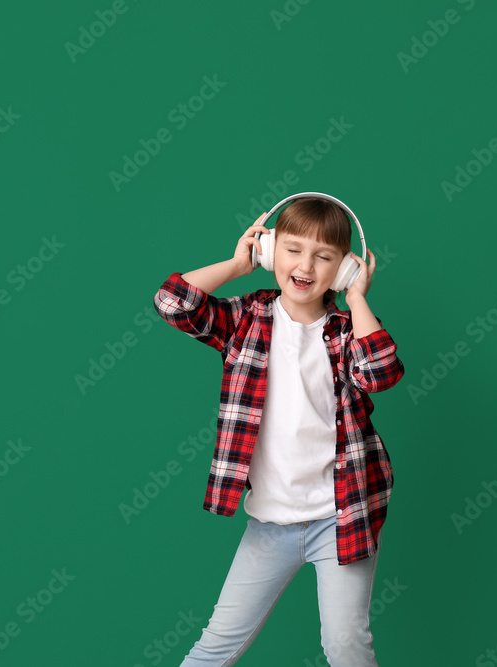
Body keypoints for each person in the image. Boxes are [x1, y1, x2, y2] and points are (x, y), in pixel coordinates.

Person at [152, 197, 405, 666]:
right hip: (271, 522)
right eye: (292, 250)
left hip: (341, 516)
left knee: (345, 643)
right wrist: (235, 265)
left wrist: (358, 297)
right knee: (218, 642)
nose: (305, 265)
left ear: (344, 269)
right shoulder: (245, 320)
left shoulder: (347, 331)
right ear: (269, 252)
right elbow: (173, 302)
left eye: (324, 257)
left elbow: (381, 372)